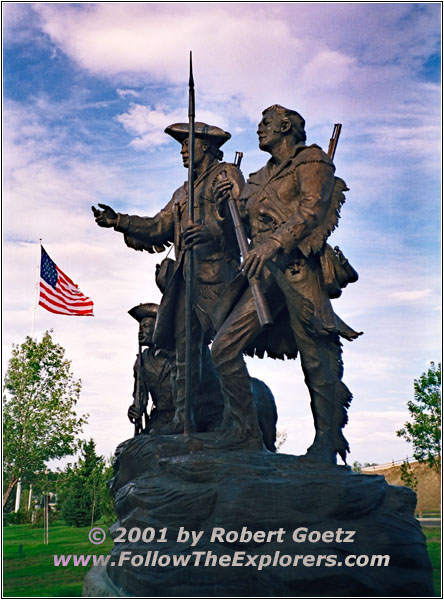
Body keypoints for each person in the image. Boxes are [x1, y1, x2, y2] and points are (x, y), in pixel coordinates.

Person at [212, 104, 362, 464]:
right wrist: (224, 208)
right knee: (223, 348)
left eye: (266, 123)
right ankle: (244, 434)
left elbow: (311, 211)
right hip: (264, 276)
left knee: (317, 358)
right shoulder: (259, 177)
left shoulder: (311, 162)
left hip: (298, 270)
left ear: (285, 126)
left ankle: (328, 441)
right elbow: (237, 234)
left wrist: (272, 244)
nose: (259, 128)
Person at [92, 122, 258, 437]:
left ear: (206, 147)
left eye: (188, 144)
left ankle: (243, 427)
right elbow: (158, 226)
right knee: (185, 355)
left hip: (217, 277)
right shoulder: (182, 192)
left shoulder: (226, 175)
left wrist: (211, 230)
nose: (182, 150)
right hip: (185, 282)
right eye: (181, 146)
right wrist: (119, 221)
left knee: (226, 350)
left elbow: (244, 218)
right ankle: (184, 421)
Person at [127, 303, 175, 433]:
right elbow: (140, 394)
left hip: (181, 416)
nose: (140, 331)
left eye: (146, 326)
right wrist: (135, 408)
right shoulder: (141, 361)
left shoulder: (176, 354)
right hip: (159, 417)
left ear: (158, 328)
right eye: (140, 327)